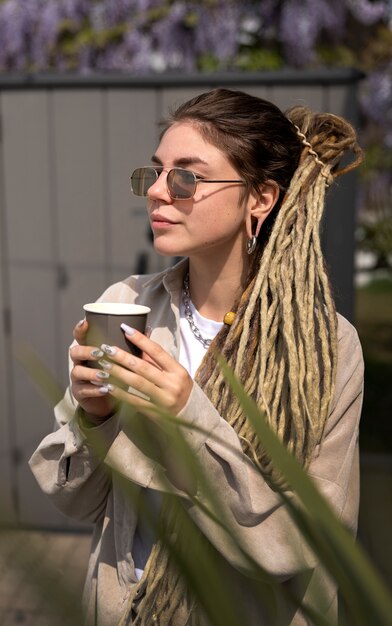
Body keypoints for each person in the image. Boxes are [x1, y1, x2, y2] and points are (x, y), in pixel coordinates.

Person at [29, 88, 364, 626]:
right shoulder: (127, 306)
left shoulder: (324, 348)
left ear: (260, 198)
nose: (159, 192)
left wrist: (188, 418)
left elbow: (307, 542)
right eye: (156, 172)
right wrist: (94, 418)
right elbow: (78, 505)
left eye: (187, 176)